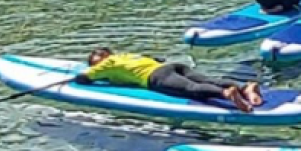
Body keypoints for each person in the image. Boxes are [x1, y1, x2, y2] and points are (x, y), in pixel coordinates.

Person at [76, 49, 261, 113]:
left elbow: (83, 78)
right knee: (208, 79)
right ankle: (244, 88)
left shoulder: (105, 64)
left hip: (156, 77)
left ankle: (225, 94)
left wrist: (88, 73)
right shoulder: (128, 55)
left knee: (191, 89)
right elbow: (158, 59)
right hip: (173, 66)